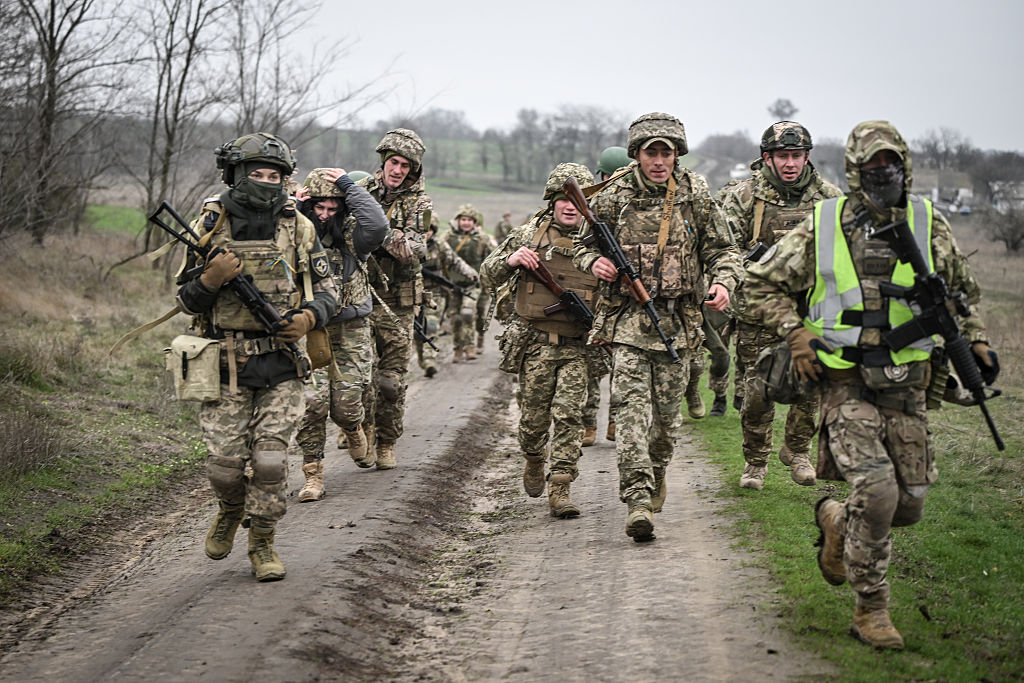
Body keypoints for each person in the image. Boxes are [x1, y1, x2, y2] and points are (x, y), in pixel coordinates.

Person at [744, 120, 997, 649]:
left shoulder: (930, 223)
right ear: (855, 172)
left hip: (908, 383)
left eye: (891, 164)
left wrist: (975, 341)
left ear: (904, 166)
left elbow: (961, 295)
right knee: (878, 493)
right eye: (872, 165)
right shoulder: (826, 223)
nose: (883, 173)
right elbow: (759, 283)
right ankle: (871, 611)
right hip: (843, 379)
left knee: (910, 504)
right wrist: (796, 335)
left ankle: (835, 521)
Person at [176, 132, 338, 581]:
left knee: (269, 462)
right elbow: (187, 300)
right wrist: (210, 279)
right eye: (258, 174)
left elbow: (329, 291)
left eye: (275, 175)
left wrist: (307, 317)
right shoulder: (211, 223)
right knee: (224, 467)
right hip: (225, 363)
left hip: (281, 362)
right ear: (235, 174)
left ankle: (263, 542)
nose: (267, 182)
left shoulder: (297, 225)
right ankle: (230, 508)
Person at [574, 112, 742, 541]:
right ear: (637, 154)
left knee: (666, 422)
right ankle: (637, 499)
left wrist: (723, 282)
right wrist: (595, 262)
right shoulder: (613, 195)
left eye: (667, 152)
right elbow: (579, 247)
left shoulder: (695, 193)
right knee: (631, 413)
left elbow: (724, 249)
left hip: (679, 322)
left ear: (677, 155)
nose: (659, 160)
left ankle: (657, 470)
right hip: (629, 320)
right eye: (651, 152)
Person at [721, 121, 843, 490]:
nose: (790, 163)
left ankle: (798, 451)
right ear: (766, 158)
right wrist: (759, 269)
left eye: (796, 155)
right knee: (757, 393)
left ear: (807, 156)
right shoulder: (744, 198)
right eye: (782, 156)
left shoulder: (829, 197)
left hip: (811, 311)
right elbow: (724, 250)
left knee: (811, 386)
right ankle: (755, 463)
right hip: (758, 311)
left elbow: (843, 253)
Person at [482, 162, 599, 517]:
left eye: (575, 201)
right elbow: (488, 272)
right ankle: (534, 458)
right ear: (551, 201)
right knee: (533, 420)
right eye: (562, 199)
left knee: (569, 415)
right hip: (535, 344)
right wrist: (513, 259)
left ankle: (560, 486)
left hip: (578, 345)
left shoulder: (597, 242)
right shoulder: (527, 235)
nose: (568, 206)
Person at [293, 167, 388, 501]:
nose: (324, 215)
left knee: (346, 404)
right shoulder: (296, 233)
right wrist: (290, 207)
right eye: (318, 207)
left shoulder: (352, 235)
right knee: (312, 404)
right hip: (310, 327)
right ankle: (313, 474)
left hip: (350, 327)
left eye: (332, 208)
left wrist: (348, 186)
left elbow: (378, 225)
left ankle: (353, 428)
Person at [358, 128, 433, 469]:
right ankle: (365, 428)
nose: (397, 170)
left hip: (399, 302)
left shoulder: (419, 202)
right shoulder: (360, 193)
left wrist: (379, 235)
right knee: (360, 375)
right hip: (359, 297)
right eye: (393, 162)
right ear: (383, 162)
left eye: (405, 165)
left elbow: (415, 250)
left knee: (390, 380)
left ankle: (387, 441)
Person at [582, 145, 633, 445]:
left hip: (619, 298)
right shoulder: (590, 207)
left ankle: (614, 421)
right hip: (590, 293)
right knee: (590, 365)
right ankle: (589, 423)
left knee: (621, 365)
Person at [417, 213, 479, 377]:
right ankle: (423, 359)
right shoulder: (409, 244)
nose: (427, 233)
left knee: (431, 325)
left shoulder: (440, 246)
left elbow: (456, 262)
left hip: (434, 294)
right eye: (423, 229)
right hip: (411, 293)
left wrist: (471, 274)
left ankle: (430, 360)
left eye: (430, 229)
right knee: (416, 331)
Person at [441, 204, 495, 361]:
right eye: (463, 219)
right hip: (453, 284)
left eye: (469, 220)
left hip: (474, 284)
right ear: (458, 220)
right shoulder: (446, 237)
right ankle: (457, 347)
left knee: (468, 313)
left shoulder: (482, 239)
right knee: (455, 318)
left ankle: (470, 345)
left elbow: (492, 258)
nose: (466, 223)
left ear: (474, 222)